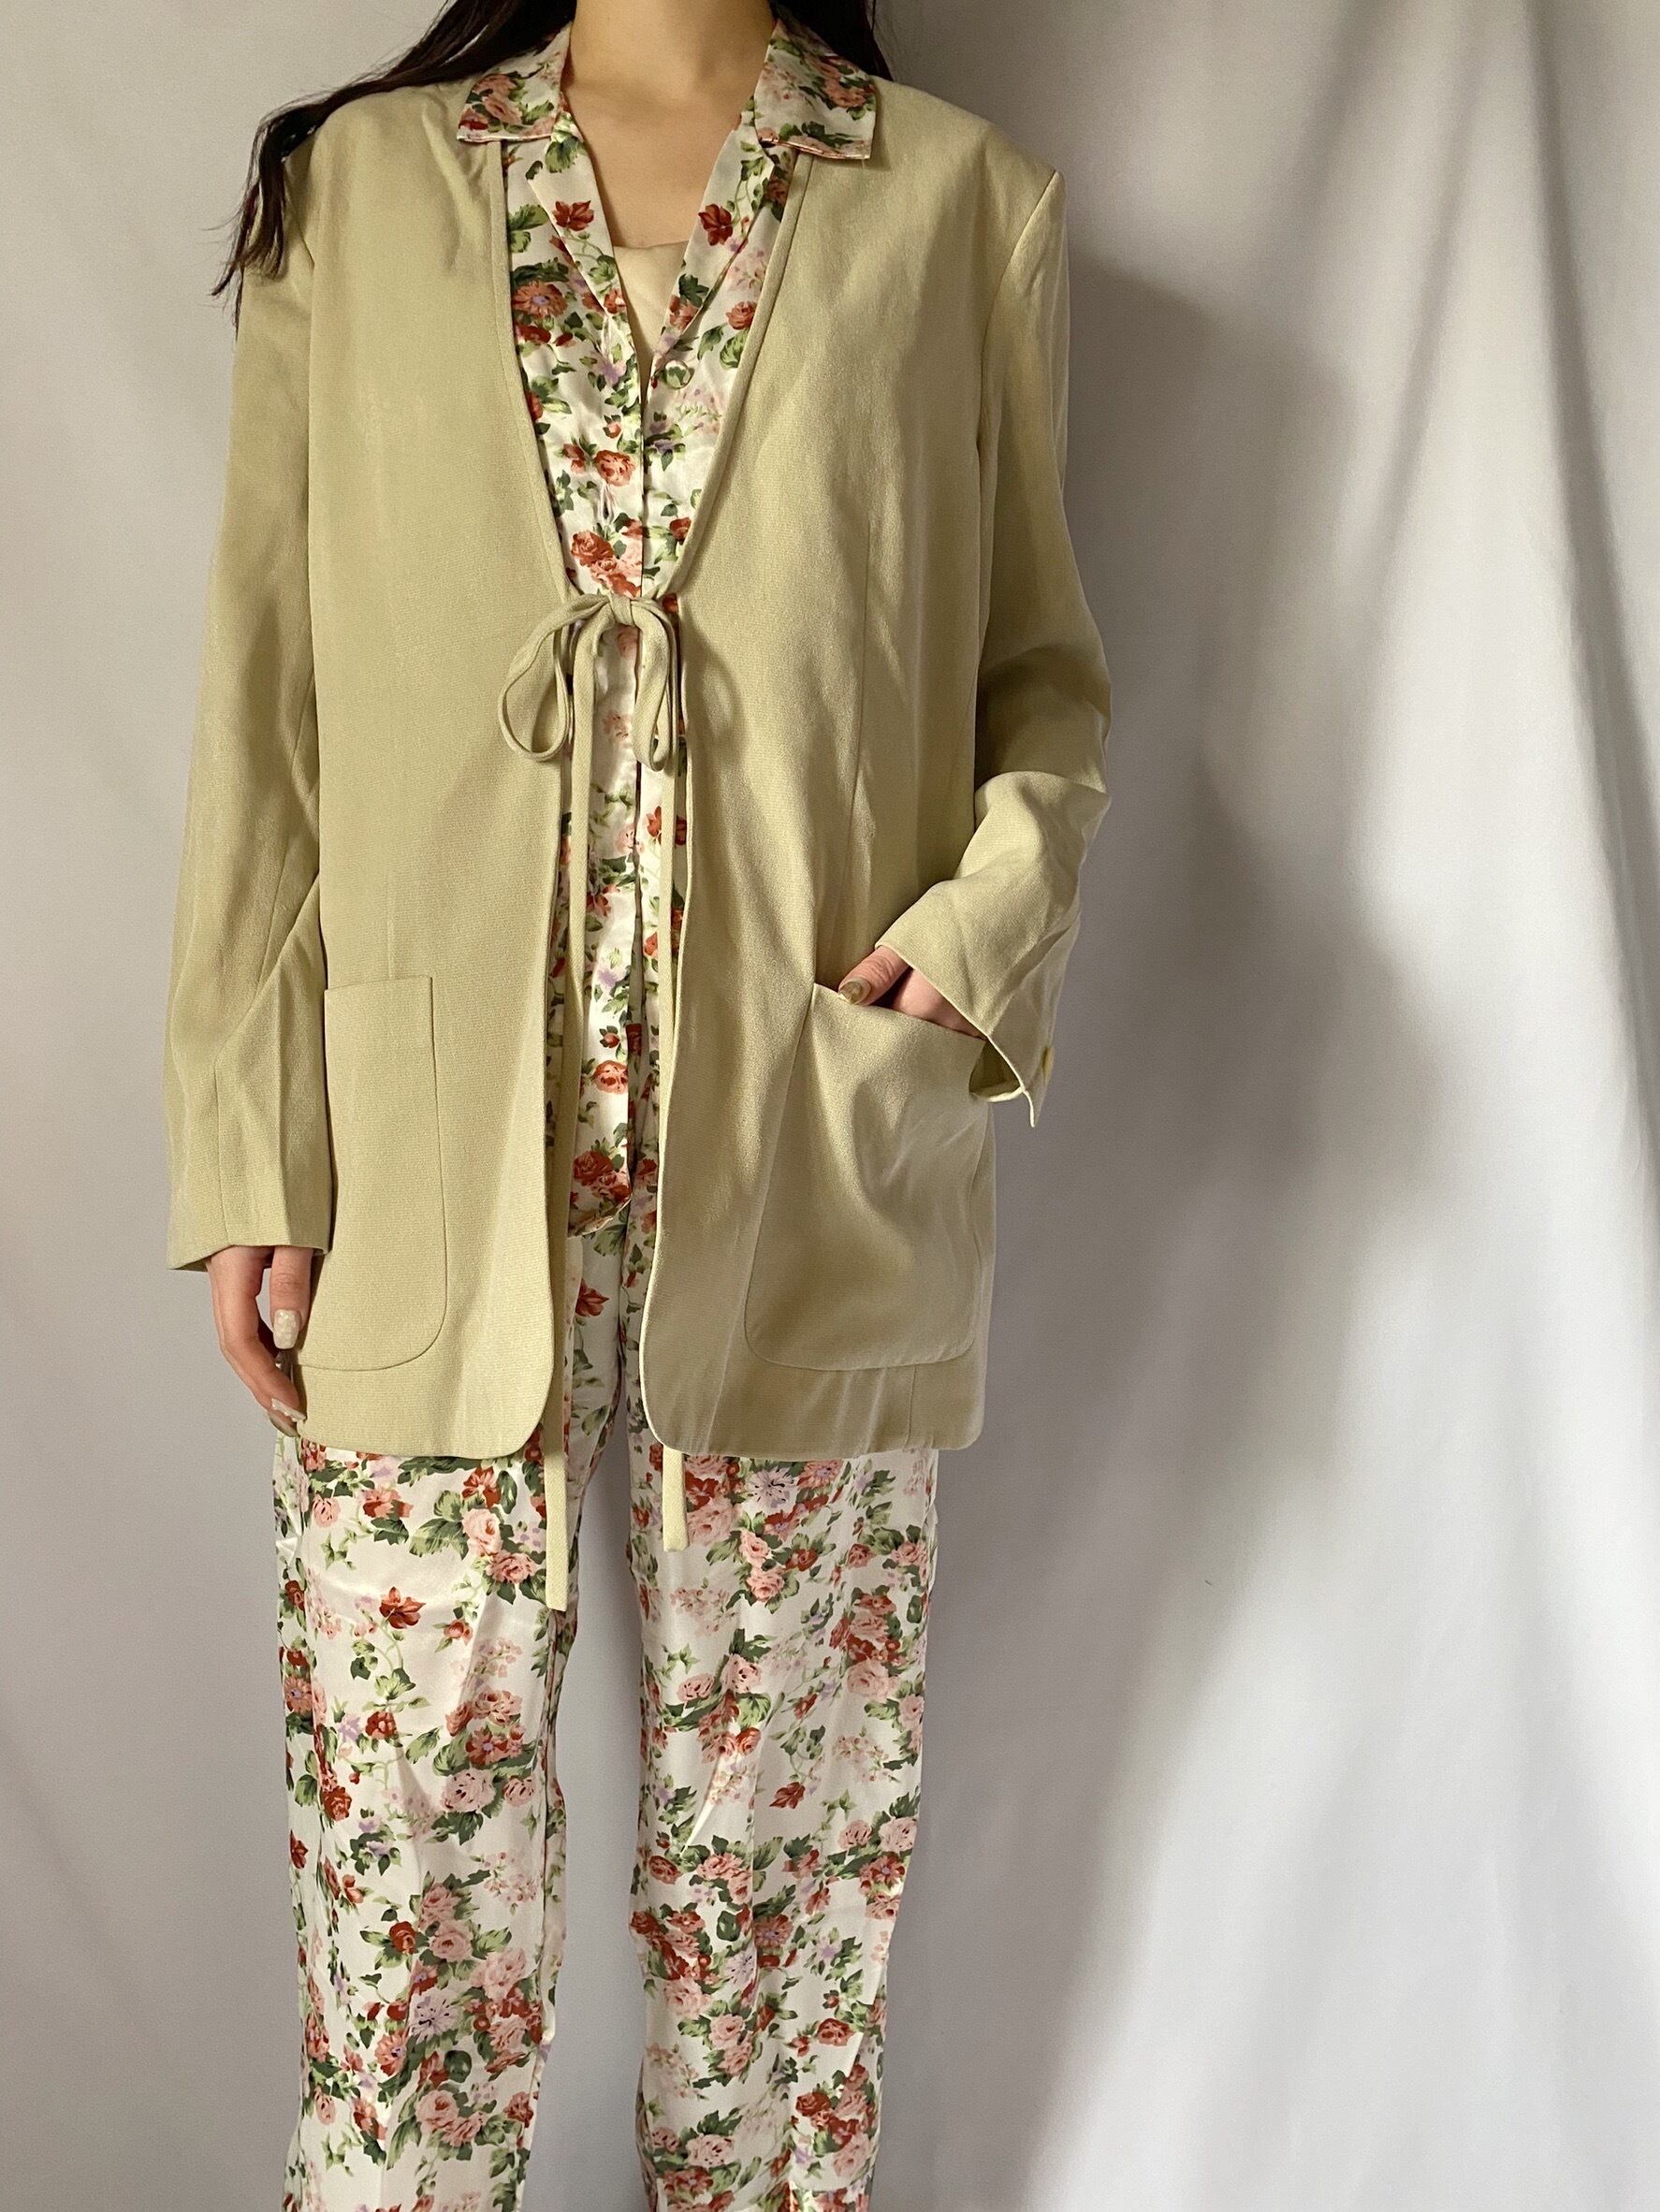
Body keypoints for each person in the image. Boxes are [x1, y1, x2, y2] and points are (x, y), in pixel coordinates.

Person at [162, 1, 1111, 2204]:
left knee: (783, 1885)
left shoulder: (957, 205)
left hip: (812, 1141)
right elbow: (268, 706)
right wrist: (249, 1136)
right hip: (413, 1151)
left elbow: (1040, 683)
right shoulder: (361, 195)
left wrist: (971, 941)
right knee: (403, 1881)